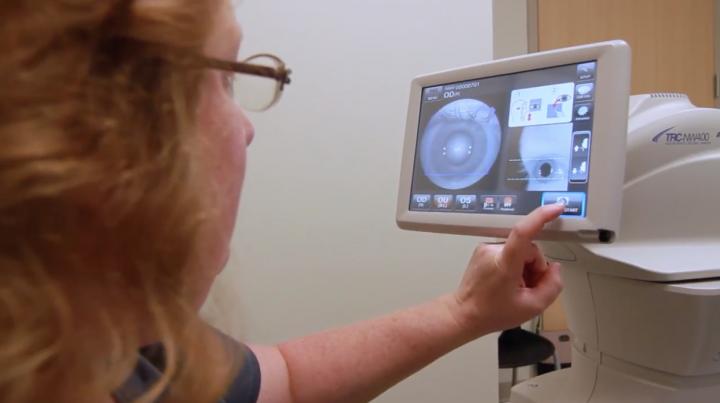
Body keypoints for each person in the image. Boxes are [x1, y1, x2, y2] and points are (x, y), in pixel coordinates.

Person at [0, 1, 564, 402]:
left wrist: (465, 310)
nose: (246, 128)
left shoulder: (118, 343)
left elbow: (287, 381)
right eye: (227, 78)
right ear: (95, 132)